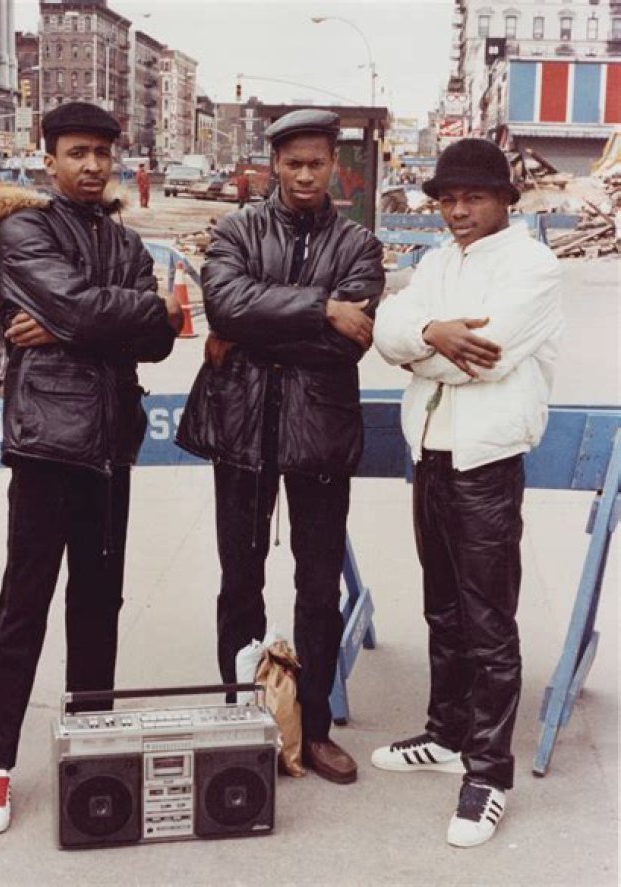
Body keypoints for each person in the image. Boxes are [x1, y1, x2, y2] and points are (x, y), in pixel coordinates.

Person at [0, 101, 182, 835]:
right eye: (77, 153)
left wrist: (72, 323)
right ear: (49, 158)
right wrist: (120, 313)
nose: (92, 166)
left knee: (99, 603)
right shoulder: (24, 226)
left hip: (111, 445)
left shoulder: (124, 239)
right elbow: (97, 309)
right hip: (46, 441)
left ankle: (91, 750)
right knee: (24, 605)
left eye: (102, 153)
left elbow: (158, 338)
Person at [176, 109, 385, 785]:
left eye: (315, 163)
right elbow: (224, 305)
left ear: (333, 166)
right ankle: (242, 716)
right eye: (292, 163)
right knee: (240, 579)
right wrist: (322, 309)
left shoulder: (359, 244)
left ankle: (314, 727)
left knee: (317, 585)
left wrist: (253, 329)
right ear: (274, 164)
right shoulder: (237, 229)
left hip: (318, 430)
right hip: (241, 426)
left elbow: (347, 344)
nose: (303, 175)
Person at [371, 139, 563, 847]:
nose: (457, 210)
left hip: (486, 460)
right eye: (447, 199)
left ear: (506, 199)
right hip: (431, 452)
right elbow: (387, 331)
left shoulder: (533, 265)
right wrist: (429, 332)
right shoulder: (436, 263)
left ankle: (488, 774)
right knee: (443, 607)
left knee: (488, 621)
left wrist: (421, 352)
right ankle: (447, 734)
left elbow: (487, 358)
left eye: (473, 197)